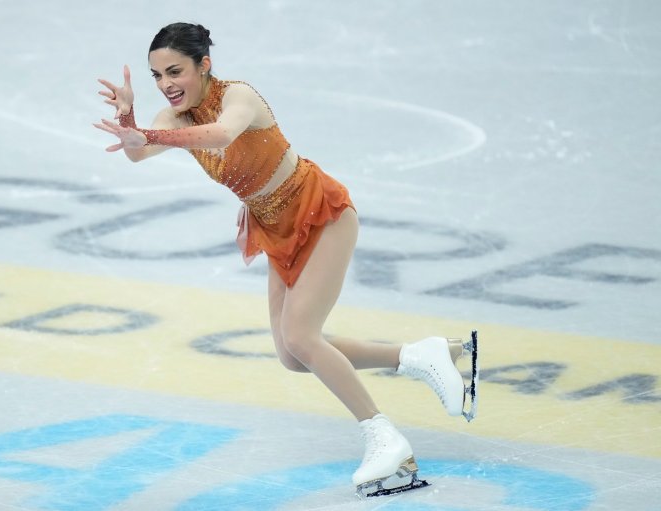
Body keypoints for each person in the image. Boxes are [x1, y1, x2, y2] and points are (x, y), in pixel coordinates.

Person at [94, 22, 478, 498]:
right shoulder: (172, 118)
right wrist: (131, 122)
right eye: (156, 76)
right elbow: (138, 153)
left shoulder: (240, 97)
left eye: (175, 71)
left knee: (301, 334)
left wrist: (149, 130)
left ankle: (385, 440)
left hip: (320, 212)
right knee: (293, 355)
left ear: (204, 66)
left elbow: (220, 136)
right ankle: (418, 355)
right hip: (272, 225)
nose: (166, 84)